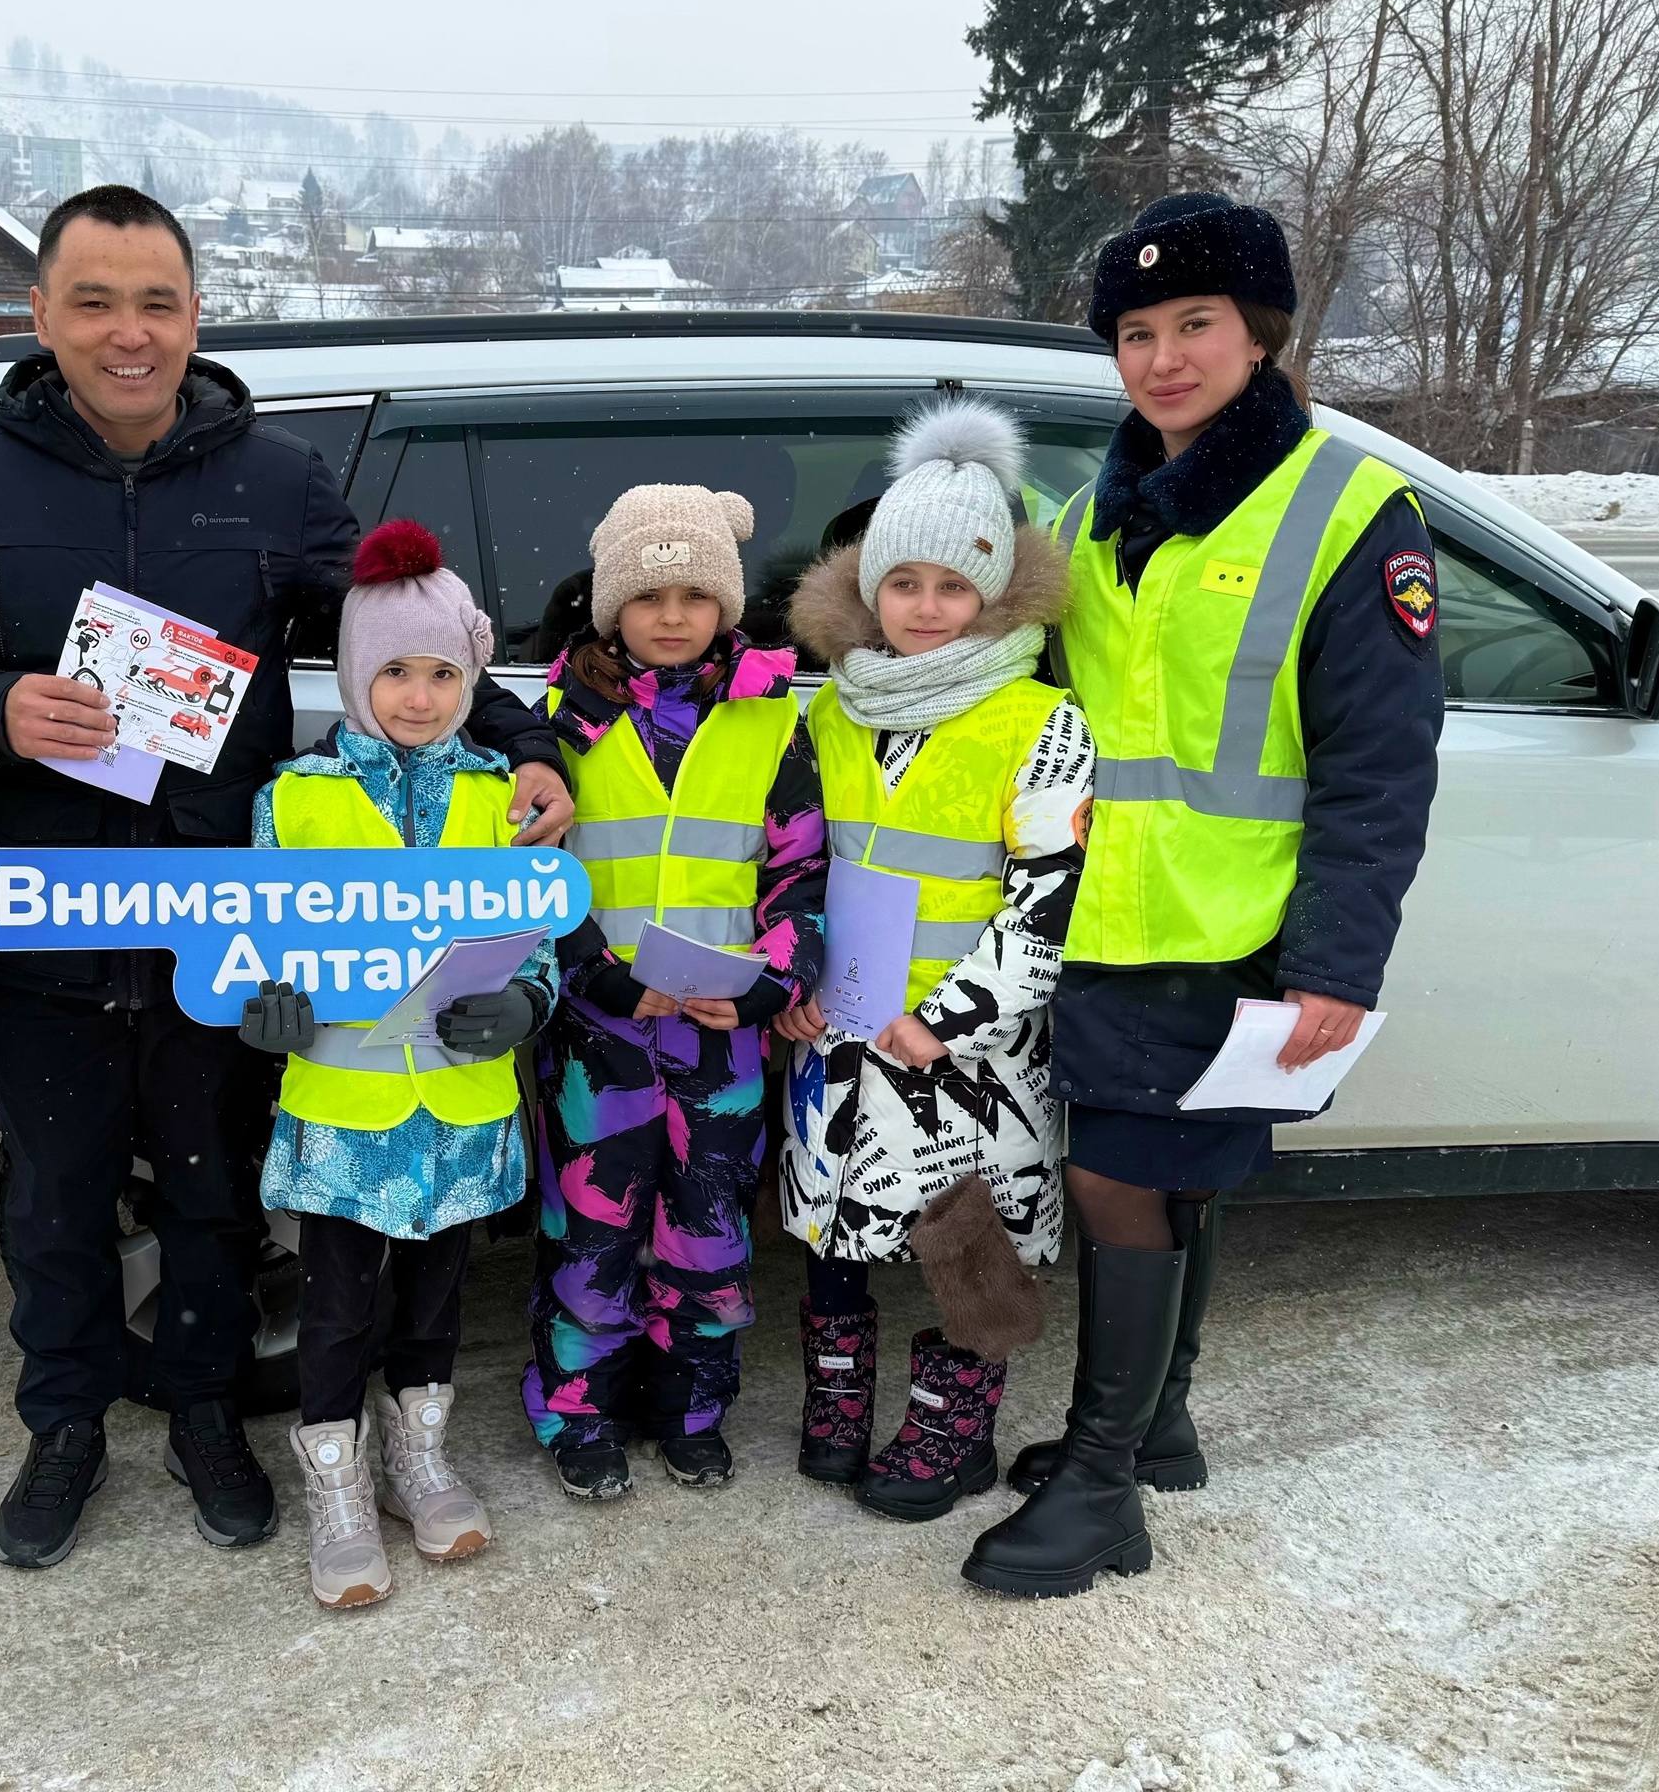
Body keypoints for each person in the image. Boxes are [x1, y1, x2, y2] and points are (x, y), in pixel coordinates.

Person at [0, 184, 572, 1572]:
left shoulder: (275, 479)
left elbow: (406, 640)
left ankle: (205, 1413)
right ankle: (64, 1425)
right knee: (57, 1198)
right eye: (94, 301)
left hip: (233, 911)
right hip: (51, 912)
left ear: (196, 317)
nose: (128, 333)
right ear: (40, 315)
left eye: (157, 303)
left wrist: (530, 738)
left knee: (208, 1195)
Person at [962, 193, 1443, 1598]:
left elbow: (1378, 768)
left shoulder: (1349, 511)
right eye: (1135, 332)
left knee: (1122, 1176)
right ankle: (1154, 1426)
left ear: (1263, 336)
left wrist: (1337, 963)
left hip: (1229, 933)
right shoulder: (1081, 511)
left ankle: (1104, 1486)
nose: (1163, 357)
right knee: (1158, 1177)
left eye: (1196, 325)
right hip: (1089, 921)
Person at [773, 399, 1095, 1521]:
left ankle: (954, 1427)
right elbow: (790, 866)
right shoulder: (830, 715)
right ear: (868, 591)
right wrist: (788, 985)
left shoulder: (1037, 720)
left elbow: (1047, 900)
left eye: (951, 587)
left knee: (968, 1232)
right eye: (902, 583)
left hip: (964, 1046)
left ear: (993, 595)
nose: (924, 608)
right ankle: (837, 1400)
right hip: (841, 1022)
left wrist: (951, 1018)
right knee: (833, 1223)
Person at [236, 519, 559, 1610]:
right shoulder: (296, 797)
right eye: (393, 673)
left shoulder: (506, 796)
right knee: (335, 1306)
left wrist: (524, 1003)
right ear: (352, 674)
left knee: (435, 1301)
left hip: (461, 1106)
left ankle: (417, 1454)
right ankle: (335, 1478)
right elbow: (257, 947)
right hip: (341, 1106)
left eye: (440, 673)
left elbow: (543, 932)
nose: (417, 697)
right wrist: (260, 1012)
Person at [520, 484, 827, 1498]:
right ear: (611, 607)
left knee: (705, 1232)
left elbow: (798, 869)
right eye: (648, 595)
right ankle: (578, 1415)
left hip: (719, 1040)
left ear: (726, 606)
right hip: (599, 1033)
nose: (669, 615)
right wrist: (594, 974)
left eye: (695, 594)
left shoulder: (769, 722)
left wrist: (765, 987)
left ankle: (690, 1407)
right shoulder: (563, 724)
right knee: (591, 1231)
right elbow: (525, 875)